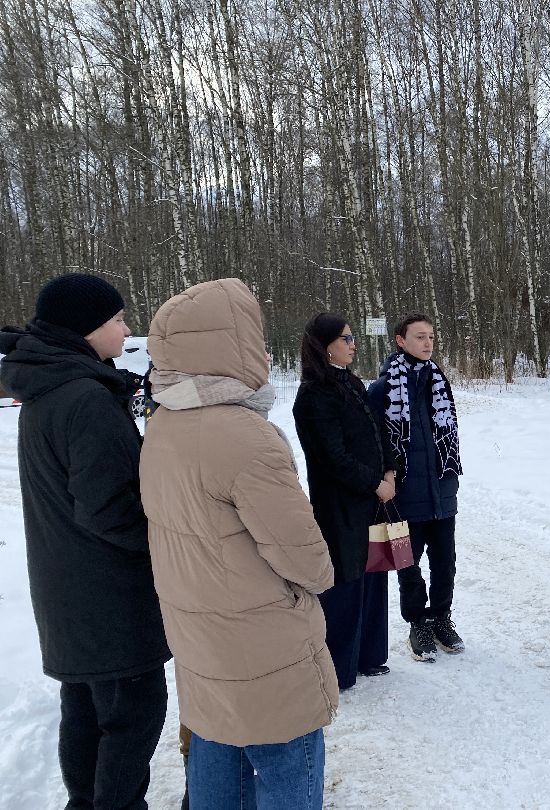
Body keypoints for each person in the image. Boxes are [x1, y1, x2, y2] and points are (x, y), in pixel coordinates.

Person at [140, 279, 338, 809]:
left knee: (217, 751)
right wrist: (318, 578)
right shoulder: (244, 436)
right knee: (287, 768)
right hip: (264, 644)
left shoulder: (162, 425)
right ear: (232, 345)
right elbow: (307, 560)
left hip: (202, 639)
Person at [0, 273, 171, 809]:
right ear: (87, 328)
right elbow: (111, 509)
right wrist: (171, 536)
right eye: (118, 319)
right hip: (108, 594)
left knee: (88, 711)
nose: (126, 329)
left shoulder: (52, 387)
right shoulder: (85, 398)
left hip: (69, 589)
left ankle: (85, 802)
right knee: (133, 715)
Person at [292, 313, 398, 687]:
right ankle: (339, 668)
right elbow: (333, 457)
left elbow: (377, 431)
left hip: (370, 500)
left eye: (353, 338)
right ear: (324, 346)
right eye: (346, 339)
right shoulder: (313, 395)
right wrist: (374, 482)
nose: (353, 345)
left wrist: (389, 470)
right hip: (340, 507)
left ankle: (369, 655)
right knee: (345, 583)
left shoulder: (352, 384)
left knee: (373, 575)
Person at [367, 313, 464, 662]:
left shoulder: (438, 381)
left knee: (445, 562)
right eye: (420, 337)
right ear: (400, 341)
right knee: (408, 563)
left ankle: (441, 618)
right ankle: (417, 623)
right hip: (404, 495)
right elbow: (376, 443)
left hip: (441, 490)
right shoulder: (383, 389)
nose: (427, 343)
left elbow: (447, 433)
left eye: (431, 337)